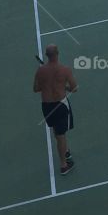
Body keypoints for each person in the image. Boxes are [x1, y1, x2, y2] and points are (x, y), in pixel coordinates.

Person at [33, 44, 78, 176]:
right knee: (61, 134)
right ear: (57, 54)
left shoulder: (40, 71)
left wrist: (47, 84)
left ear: (47, 56)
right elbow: (74, 88)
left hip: (47, 106)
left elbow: (35, 89)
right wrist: (63, 87)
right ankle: (64, 165)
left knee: (57, 132)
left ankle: (66, 151)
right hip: (60, 106)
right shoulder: (65, 70)